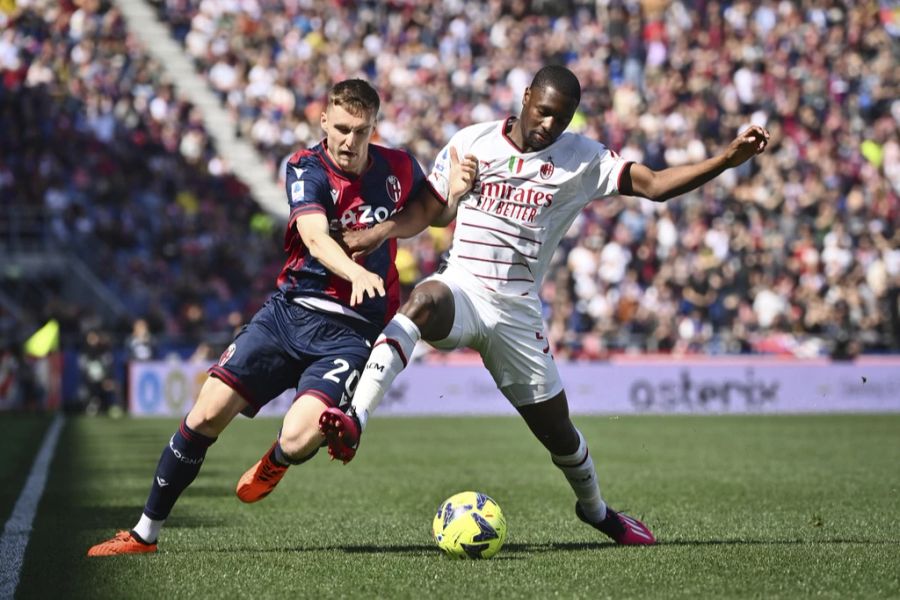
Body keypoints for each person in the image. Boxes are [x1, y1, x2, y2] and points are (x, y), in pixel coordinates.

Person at [318, 65, 770, 545]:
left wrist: (724, 160)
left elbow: (655, 185)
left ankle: (598, 512)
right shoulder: (473, 141)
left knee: (559, 434)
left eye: (564, 118)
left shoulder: (582, 158)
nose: (551, 125)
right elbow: (428, 210)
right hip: (465, 288)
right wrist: (375, 232)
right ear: (526, 96)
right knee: (423, 300)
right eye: (545, 112)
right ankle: (356, 418)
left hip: (516, 313)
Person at [87, 79, 474, 556]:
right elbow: (314, 236)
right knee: (205, 413)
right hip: (288, 314)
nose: (351, 141)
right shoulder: (304, 166)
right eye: (343, 129)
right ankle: (145, 533)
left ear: (375, 128)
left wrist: (451, 199)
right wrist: (355, 269)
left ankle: (276, 459)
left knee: (300, 436)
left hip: (351, 333)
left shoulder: (396, 165)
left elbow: (424, 213)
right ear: (324, 123)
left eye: (362, 131)